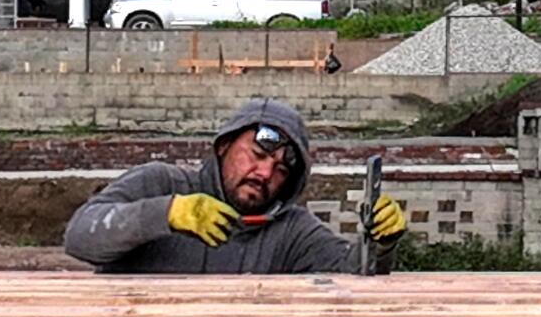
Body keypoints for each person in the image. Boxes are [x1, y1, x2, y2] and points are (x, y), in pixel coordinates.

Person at [64, 97, 407, 273]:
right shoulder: (160, 182)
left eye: (279, 170)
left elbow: (351, 276)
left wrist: (381, 242)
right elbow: (79, 237)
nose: (263, 173)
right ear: (224, 146)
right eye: (256, 154)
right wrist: (165, 213)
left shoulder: (291, 231)